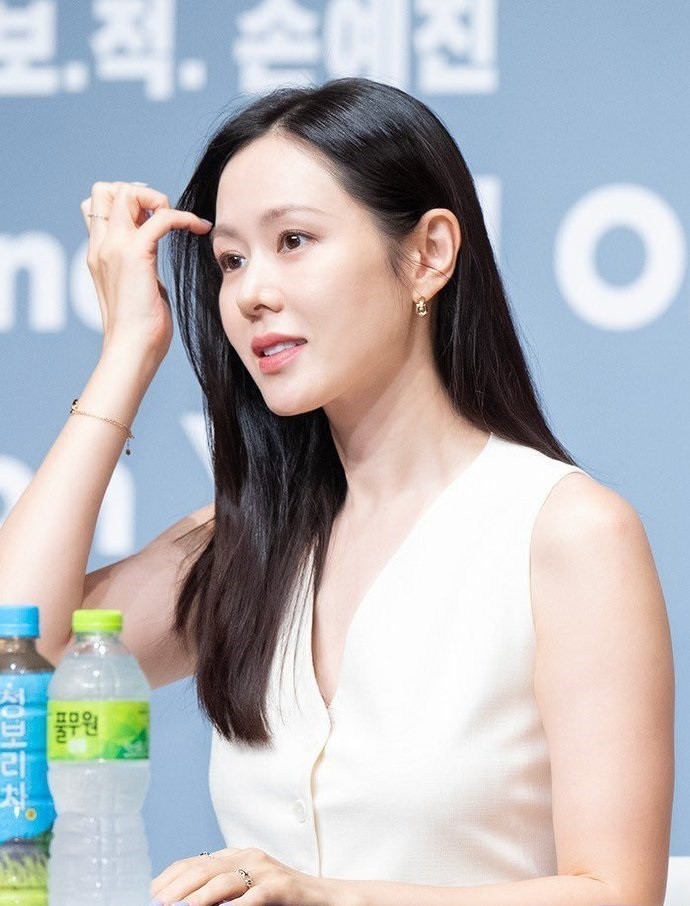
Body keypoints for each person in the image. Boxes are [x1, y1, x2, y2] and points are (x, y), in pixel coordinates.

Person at [0, 78, 673, 906]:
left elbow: (616, 892)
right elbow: (19, 651)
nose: (252, 293)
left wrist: (325, 896)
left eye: (294, 240)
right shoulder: (245, 541)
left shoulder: (565, 531)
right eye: (231, 261)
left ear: (428, 254)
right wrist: (127, 352)